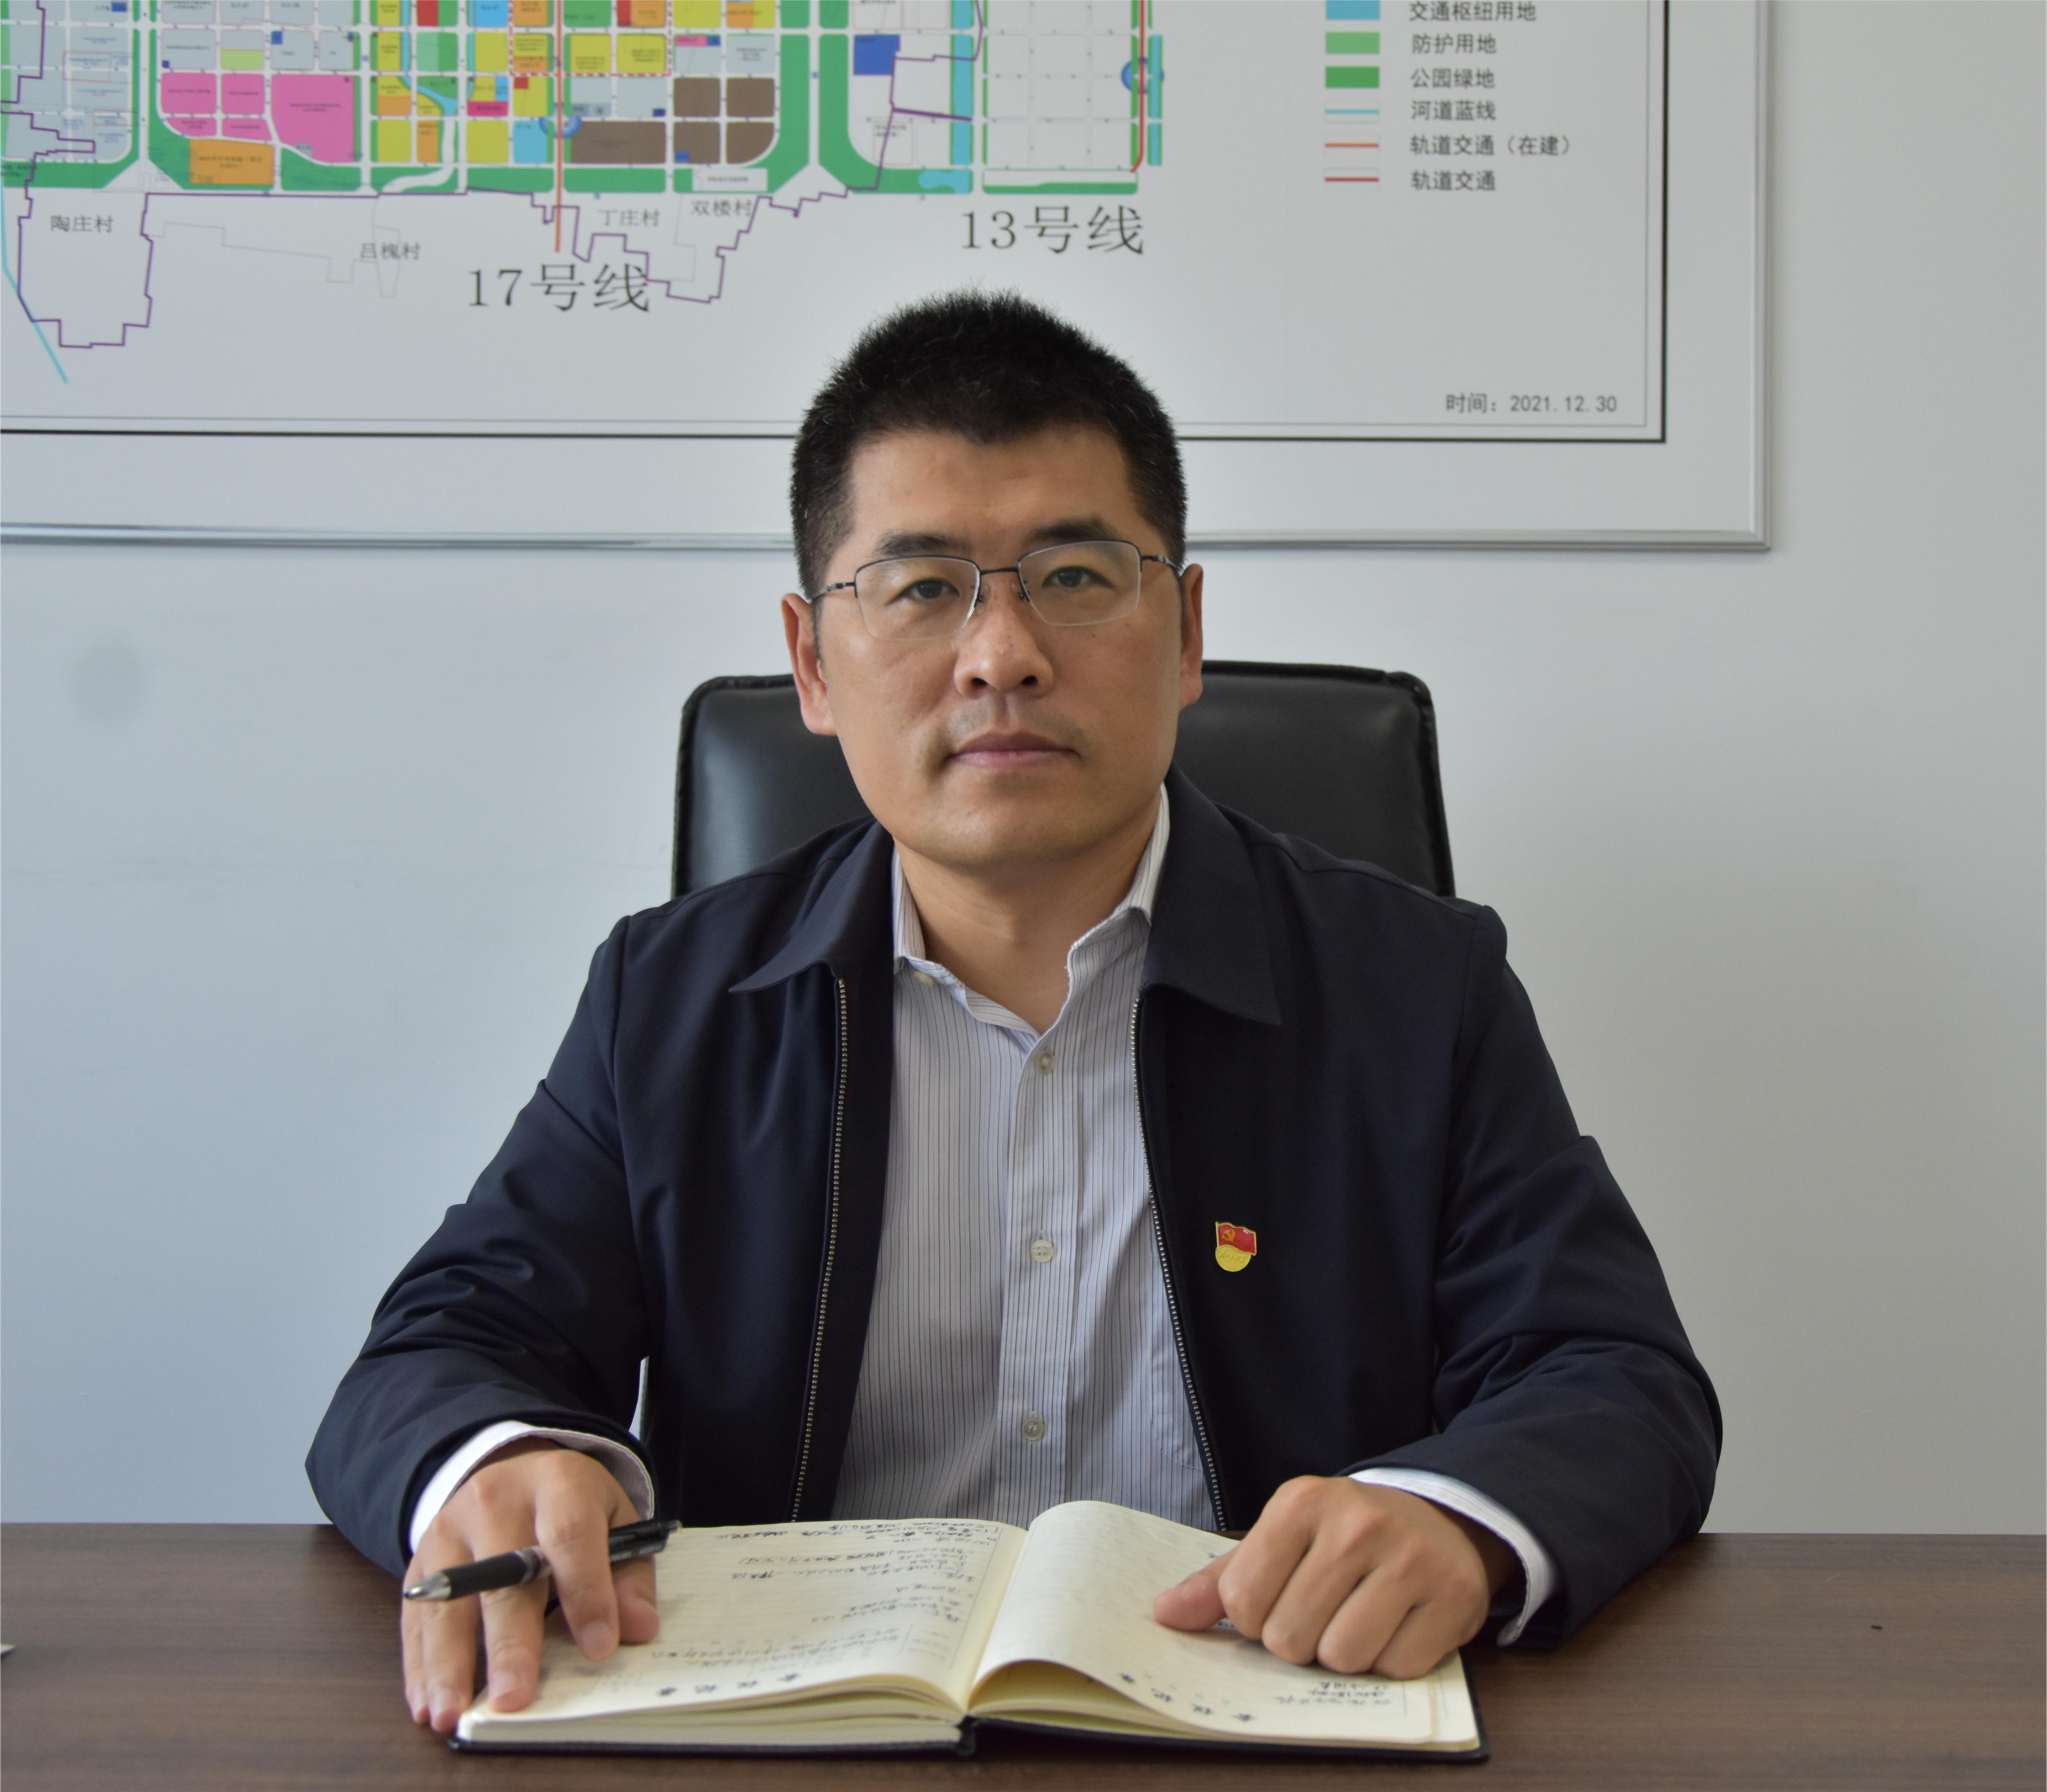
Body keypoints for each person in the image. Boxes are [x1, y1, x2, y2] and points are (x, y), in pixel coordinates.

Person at [308, 291, 1719, 1737]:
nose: (1001, 655)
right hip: (800, 1736)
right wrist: (498, 1459)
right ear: (812, 662)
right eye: (922, 588)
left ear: (1185, 632)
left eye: (1074, 575)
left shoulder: (1413, 986)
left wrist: (1453, 1515)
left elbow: (1610, 1375)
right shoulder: (671, 1000)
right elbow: (441, 1349)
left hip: (1259, 1721)